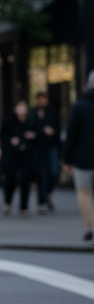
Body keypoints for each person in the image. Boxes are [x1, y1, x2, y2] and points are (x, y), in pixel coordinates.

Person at [62, 72, 94, 244]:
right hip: (83, 158)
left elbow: (71, 135)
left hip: (83, 159)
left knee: (84, 192)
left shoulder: (80, 106)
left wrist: (67, 159)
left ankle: (90, 227)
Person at [0, 100, 38, 217]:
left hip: (26, 154)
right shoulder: (9, 121)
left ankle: (24, 207)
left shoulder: (30, 121)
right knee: (11, 178)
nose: (21, 110)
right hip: (12, 154)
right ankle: (7, 201)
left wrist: (32, 136)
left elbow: (38, 136)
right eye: (19, 107)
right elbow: (2, 135)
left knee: (25, 179)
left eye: (23, 107)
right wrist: (11, 140)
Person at [31, 91, 59, 213]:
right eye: (40, 99)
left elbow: (57, 128)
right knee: (41, 175)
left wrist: (52, 132)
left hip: (50, 146)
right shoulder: (33, 113)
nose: (41, 101)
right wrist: (42, 129)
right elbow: (31, 128)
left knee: (54, 172)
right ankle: (42, 202)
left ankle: (48, 194)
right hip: (38, 148)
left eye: (43, 99)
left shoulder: (51, 111)